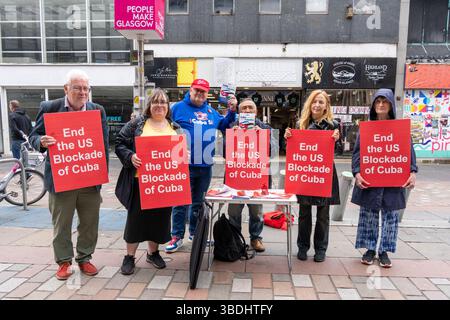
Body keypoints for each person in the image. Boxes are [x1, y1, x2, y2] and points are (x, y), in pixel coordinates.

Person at [29, 69, 109, 280]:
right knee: (62, 223)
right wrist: (41, 142)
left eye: (85, 88)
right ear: (66, 89)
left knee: (90, 223)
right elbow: (33, 135)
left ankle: (84, 258)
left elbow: (103, 145)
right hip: (61, 177)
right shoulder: (50, 108)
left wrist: (101, 176)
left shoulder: (97, 110)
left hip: (89, 179)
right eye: (77, 88)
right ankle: (64, 262)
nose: (82, 92)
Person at [115, 89, 183, 275]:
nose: (159, 105)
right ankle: (129, 257)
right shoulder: (137, 124)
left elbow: (178, 154)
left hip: (165, 183)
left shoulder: (175, 127)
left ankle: (153, 253)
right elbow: (119, 142)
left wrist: (184, 156)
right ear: (150, 106)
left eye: (163, 102)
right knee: (135, 221)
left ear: (167, 107)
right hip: (141, 182)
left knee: (159, 221)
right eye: (155, 102)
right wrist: (130, 156)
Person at [165, 79, 237, 253]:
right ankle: (177, 236)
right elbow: (163, 126)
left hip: (205, 165)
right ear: (190, 90)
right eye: (197, 90)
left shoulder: (210, 111)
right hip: (183, 164)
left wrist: (232, 110)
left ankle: (194, 234)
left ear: (207, 94)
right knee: (180, 202)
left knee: (198, 203)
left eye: (203, 91)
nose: (199, 94)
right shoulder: (176, 108)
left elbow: (225, 124)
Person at [351, 88, 417, 268]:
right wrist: (357, 173)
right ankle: (370, 249)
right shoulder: (366, 128)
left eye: (384, 101)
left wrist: (412, 172)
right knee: (369, 215)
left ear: (390, 105)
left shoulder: (399, 129)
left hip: (393, 180)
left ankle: (384, 251)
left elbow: (409, 152)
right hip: (371, 179)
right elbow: (357, 154)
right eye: (377, 101)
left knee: (391, 217)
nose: (381, 105)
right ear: (373, 105)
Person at [285, 89, 340, 263]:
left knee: (323, 215)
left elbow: (338, 152)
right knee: (304, 212)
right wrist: (287, 138)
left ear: (326, 106)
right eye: (315, 101)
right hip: (306, 174)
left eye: (321, 102)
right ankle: (302, 246)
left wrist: (337, 140)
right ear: (310, 103)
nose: (317, 105)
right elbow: (293, 150)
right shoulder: (301, 123)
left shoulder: (333, 125)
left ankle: (321, 249)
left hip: (324, 175)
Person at [226, 98, 277, 252]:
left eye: (250, 108)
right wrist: (232, 139)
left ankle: (256, 239)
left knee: (257, 213)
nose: (247, 111)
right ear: (239, 112)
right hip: (236, 178)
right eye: (244, 108)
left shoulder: (265, 128)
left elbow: (273, 152)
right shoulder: (231, 127)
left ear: (256, 112)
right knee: (234, 212)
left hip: (256, 179)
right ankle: (235, 239)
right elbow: (223, 153)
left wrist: (262, 137)